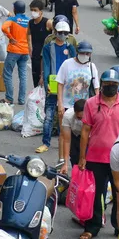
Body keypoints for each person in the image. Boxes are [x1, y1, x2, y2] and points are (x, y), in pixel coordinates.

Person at [77, 69, 119, 239]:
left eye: (114, 85)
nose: (110, 88)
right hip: (95, 158)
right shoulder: (91, 103)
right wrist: (82, 157)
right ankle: (92, 227)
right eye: (107, 85)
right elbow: (85, 130)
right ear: (101, 85)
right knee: (95, 194)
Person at [39, 21, 77, 154]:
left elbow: (74, 64)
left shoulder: (70, 47)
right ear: (55, 32)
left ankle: (66, 141)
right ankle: (45, 142)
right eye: (60, 33)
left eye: (65, 33)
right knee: (49, 115)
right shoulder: (48, 47)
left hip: (67, 86)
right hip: (54, 83)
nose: (63, 35)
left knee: (67, 115)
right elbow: (47, 64)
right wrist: (46, 81)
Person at [1, 0, 30, 105]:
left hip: (14, 50)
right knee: (23, 75)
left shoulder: (13, 19)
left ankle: (9, 97)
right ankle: (21, 99)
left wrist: (10, 37)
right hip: (25, 51)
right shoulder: (28, 20)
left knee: (7, 73)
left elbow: (3, 27)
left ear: (15, 9)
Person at [27, 0, 49, 88]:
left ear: (41, 12)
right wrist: (30, 48)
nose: (33, 12)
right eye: (31, 10)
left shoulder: (47, 23)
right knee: (36, 79)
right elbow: (28, 35)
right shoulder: (31, 23)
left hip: (45, 55)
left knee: (44, 79)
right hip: (35, 54)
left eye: (35, 10)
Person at [60, 98, 85, 172]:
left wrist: (83, 158)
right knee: (74, 157)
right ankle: (76, 176)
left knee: (86, 161)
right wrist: (65, 163)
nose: (80, 119)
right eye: (78, 117)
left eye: (81, 117)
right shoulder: (68, 116)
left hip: (87, 136)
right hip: (74, 134)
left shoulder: (91, 116)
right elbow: (67, 140)